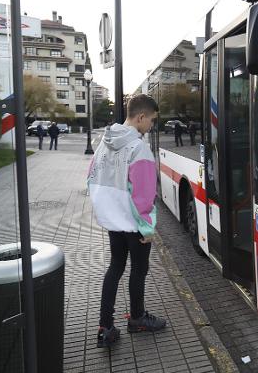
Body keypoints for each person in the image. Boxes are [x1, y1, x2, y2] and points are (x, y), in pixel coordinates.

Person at [87, 94, 166, 348]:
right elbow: (144, 196)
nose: (151, 126)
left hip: (112, 220)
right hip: (133, 223)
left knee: (115, 267)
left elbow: (91, 175)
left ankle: (105, 326)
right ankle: (137, 318)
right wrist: (147, 228)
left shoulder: (104, 141)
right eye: (152, 121)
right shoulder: (138, 148)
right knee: (139, 271)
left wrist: (107, 207)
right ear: (141, 117)